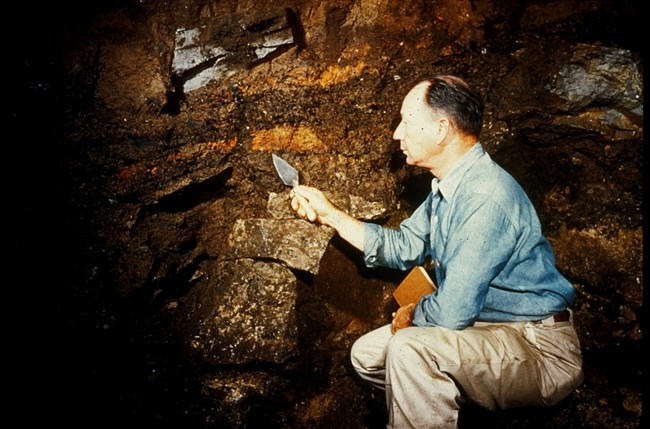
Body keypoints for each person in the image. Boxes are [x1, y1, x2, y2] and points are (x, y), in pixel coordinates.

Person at [289, 75, 584, 428]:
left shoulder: (485, 198)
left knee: (408, 350)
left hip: (538, 347)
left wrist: (414, 312)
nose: (397, 133)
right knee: (367, 357)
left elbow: (452, 311)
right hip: (488, 327)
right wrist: (329, 215)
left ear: (442, 129)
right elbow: (403, 247)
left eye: (406, 122)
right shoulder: (450, 186)